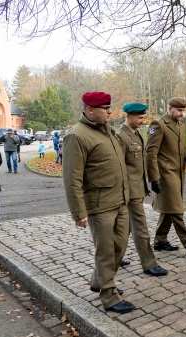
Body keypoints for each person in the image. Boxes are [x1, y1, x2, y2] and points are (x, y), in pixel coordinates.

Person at [62, 91, 133, 314]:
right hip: (99, 204)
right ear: (89, 110)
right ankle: (109, 296)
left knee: (119, 246)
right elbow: (71, 177)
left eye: (109, 107)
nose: (110, 112)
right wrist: (78, 212)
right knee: (105, 250)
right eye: (105, 108)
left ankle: (98, 280)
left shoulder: (109, 132)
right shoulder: (77, 136)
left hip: (120, 200)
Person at [146, 97, 186, 257]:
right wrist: (154, 178)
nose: (182, 114)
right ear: (169, 108)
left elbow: (182, 149)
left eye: (183, 110)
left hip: (178, 173)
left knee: (169, 209)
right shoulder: (158, 125)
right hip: (165, 175)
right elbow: (150, 153)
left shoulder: (181, 126)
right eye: (179, 110)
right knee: (176, 210)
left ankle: (160, 241)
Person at [116, 102, 169, 275]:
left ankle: (115, 257)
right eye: (139, 118)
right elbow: (119, 167)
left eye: (143, 118)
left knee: (125, 229)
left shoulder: (135, 134)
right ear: (128, 116)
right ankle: (149, 264)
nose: (142, 121)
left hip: (137, 188)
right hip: (129, 191)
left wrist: (151, 180)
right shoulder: (121, 136)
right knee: (140, 227)